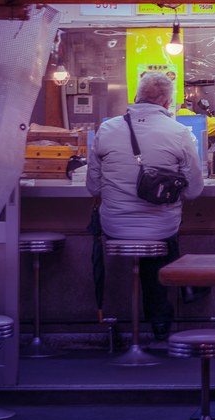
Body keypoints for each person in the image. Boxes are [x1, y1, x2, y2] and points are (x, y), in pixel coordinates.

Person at [87, 72, 205, 341]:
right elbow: (194, 191)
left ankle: (126, 319)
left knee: (153, 235)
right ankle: (162, 317)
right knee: (163, 234)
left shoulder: (106, 129)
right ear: (167, 102)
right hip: (162, 228)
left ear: (136, 97)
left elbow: (93, 188)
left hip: (113, 228)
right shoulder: (179, 132)